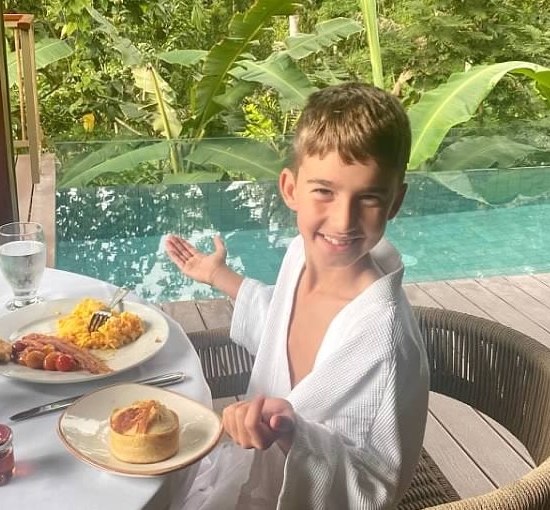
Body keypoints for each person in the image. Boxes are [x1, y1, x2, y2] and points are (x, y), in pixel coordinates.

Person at [165, 82, 430, 509]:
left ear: (394, 201)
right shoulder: (300, 255)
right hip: (253, 472)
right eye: (324, 191)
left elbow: (375, 487)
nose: (342, 221)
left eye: (369, 198)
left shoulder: (384, 342)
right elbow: (278, 319)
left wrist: (292, 432)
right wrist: (220, 276)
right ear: (290, 189)